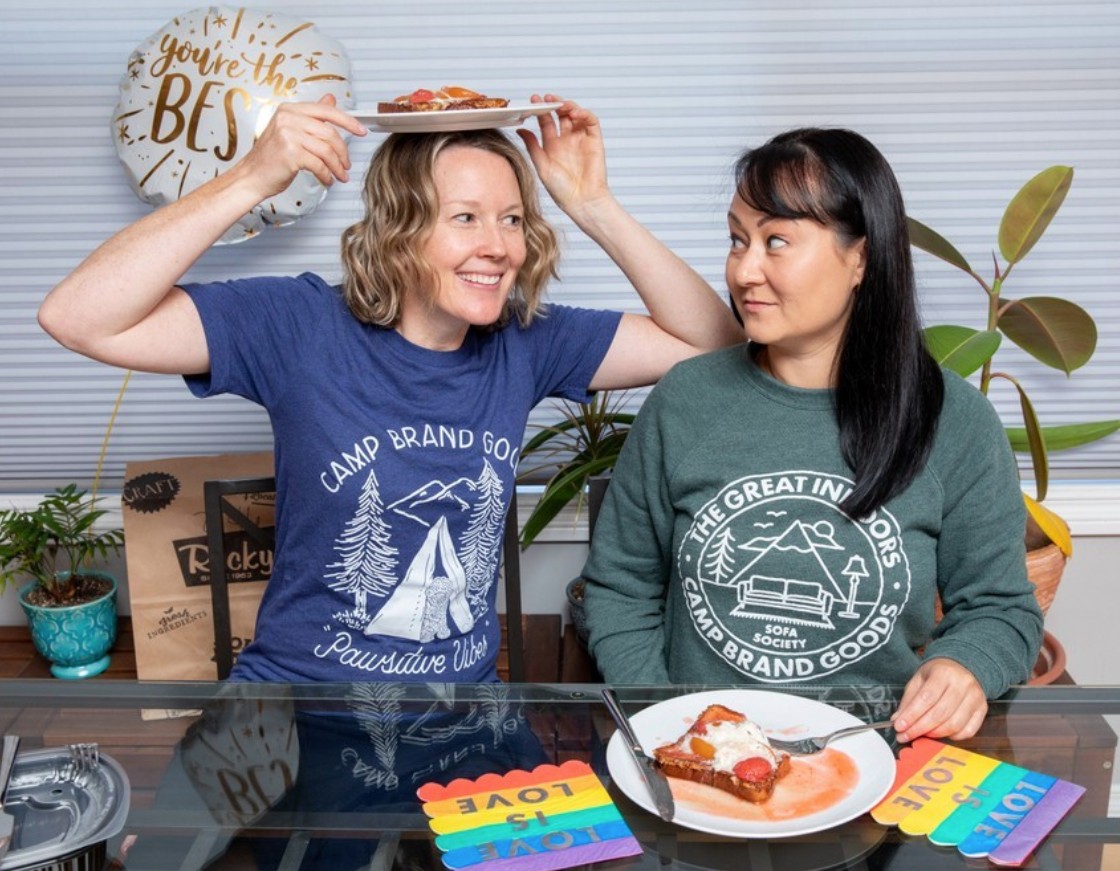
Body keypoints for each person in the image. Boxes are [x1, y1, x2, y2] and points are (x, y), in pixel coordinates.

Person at [38, 93, 739, 683]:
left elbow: (712, 342)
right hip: (298, 701)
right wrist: (251, 178)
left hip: (462, 710)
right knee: (177, 818)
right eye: (465, 217)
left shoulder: (528, 340)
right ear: (399, 230)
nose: (499, 246)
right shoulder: (299, 325)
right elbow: (77, 317)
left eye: (512, 219)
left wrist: (595, 205)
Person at [581, 127, 1043, 744]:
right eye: (737, 240)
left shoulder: (953, 419)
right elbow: (619, 591)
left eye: (776, 241)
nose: (744, 270)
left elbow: (1001, 609)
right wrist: (669, 727)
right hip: (699, 756)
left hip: (875, 755)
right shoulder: (684, 400)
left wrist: (964, 665)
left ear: (862, 258)